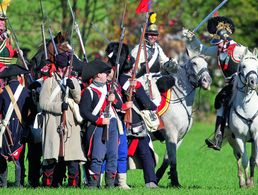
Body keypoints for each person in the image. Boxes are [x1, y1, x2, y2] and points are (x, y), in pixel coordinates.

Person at [183, 16, 248, 150]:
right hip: (230, 83)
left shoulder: (239, 48)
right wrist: (192, 38)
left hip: (241, 82)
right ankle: (218, 136)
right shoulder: (219, 50)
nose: (219, 39)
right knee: (220, 101)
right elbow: (203, 50)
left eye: (221, 36)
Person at [39, 49, 86, 187]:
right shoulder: (49, 83)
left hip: (70, 124)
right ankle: (50, 184)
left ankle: (74, 185)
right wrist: (60, 106)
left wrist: (72, 88)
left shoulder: (73, 81)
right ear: (60, 68)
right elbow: (43, 103)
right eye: (64, 67)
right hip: (54, 123)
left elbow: (78, 99)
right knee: (52, 155)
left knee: (72, 157)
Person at [80, 59, 121, 188]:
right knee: (97, 156)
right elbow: (84, 111)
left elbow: (120, 105)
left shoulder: (110, 89)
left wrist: (113, 100)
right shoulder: (89, 91)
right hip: (97, 126)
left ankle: (110, 185)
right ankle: (92, 185)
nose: (107, 75)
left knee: (113, 155)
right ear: (98, 75)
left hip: (112, 124)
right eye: (105, 73)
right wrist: (99, 120)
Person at [118, 54, 158, 188]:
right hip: (134, 123)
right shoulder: (133, 83)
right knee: (145, 152)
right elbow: (147, 104)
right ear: (132, 69)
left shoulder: (117, 80)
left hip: (120, 121)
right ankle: (151, 181)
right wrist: (153, 105)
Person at [103, 42, 133, 189]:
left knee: (122, 152)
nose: (109, 74)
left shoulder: (116, 85)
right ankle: (99, 180)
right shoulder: (104, 86)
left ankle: (121, 181)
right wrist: (122, 106)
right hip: (107, 120)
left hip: (119, 122)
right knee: (104, 154)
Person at [0, 64, 31, 187]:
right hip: (20, 126)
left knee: (2, 155)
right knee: (19, 156)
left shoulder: (3, 93)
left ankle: (3, 183)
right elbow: (32, 110)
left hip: (6, 127)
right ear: (18, 77)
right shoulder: (26, 91)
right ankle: (19, 183)